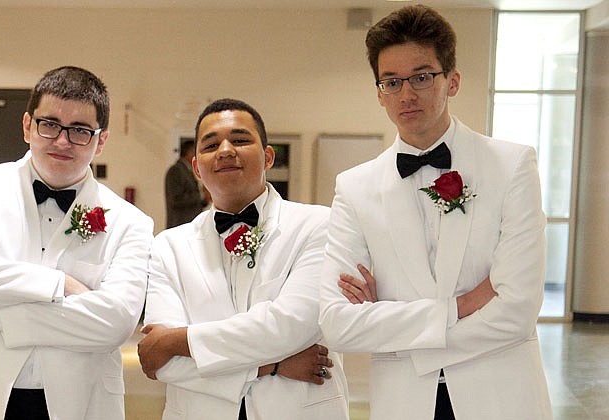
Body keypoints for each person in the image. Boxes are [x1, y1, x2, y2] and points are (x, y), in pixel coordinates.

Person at [318, 5, 552, 420]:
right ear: (378, 91)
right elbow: (338, 323)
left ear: (453, 80)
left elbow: (517, 310)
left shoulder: (512, 166)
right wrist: (460, 306)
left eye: (422, 77)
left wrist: (392, 325)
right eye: (391, 81)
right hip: (403, 403)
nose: (406, 94)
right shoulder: (353, 188)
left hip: (501, 397)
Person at [0, 66, 154, 420]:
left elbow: (115, 322)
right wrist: (62, 285)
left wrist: (1, 311)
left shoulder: (130, 221)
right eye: (50, 124)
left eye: (80, 131)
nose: (62, 141)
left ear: (101, 140)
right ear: (27, 125)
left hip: (78, 400)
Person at [138, 98, 349, 419]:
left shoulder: (319, 226)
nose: (225, 150)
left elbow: (289, 326)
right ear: (196, 166)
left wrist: (177, 340)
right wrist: (272, 366)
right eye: (211, 145)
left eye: (240, 140)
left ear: (267, 157)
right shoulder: (167, 246)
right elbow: (164, 363)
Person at [165, 139, 209, 228]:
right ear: (189, 152)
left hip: (190, 224)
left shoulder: (187, 170)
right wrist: (201, 195)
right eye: (196, 152)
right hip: (179, 224)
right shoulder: (175, 170)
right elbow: (176, 199)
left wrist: (205, 199)